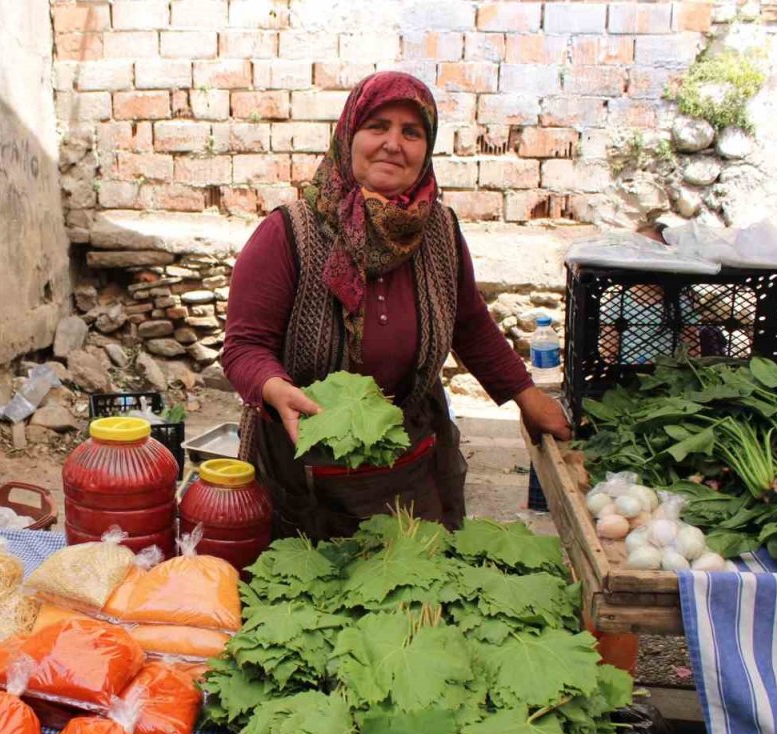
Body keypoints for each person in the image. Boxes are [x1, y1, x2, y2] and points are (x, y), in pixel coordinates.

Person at [221, 71, 571, 540]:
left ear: (427, 149)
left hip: (407, 463)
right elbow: (243, 347)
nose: (393, 144)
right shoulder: (289, 233)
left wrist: (526, 396)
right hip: (304, 468)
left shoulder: (439, 231)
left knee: (414, 576)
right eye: (377, 127)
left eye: (411, 132)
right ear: (349, 135)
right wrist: (273, 386)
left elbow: (469, 325)